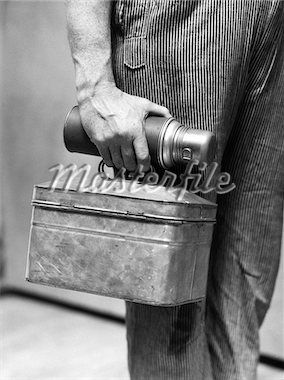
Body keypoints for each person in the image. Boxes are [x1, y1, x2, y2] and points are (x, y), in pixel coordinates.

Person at [66, 1, 284, 379]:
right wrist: (94, 85)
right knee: (170, 302)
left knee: (245, 277)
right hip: (182, 24)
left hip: (271, 24)